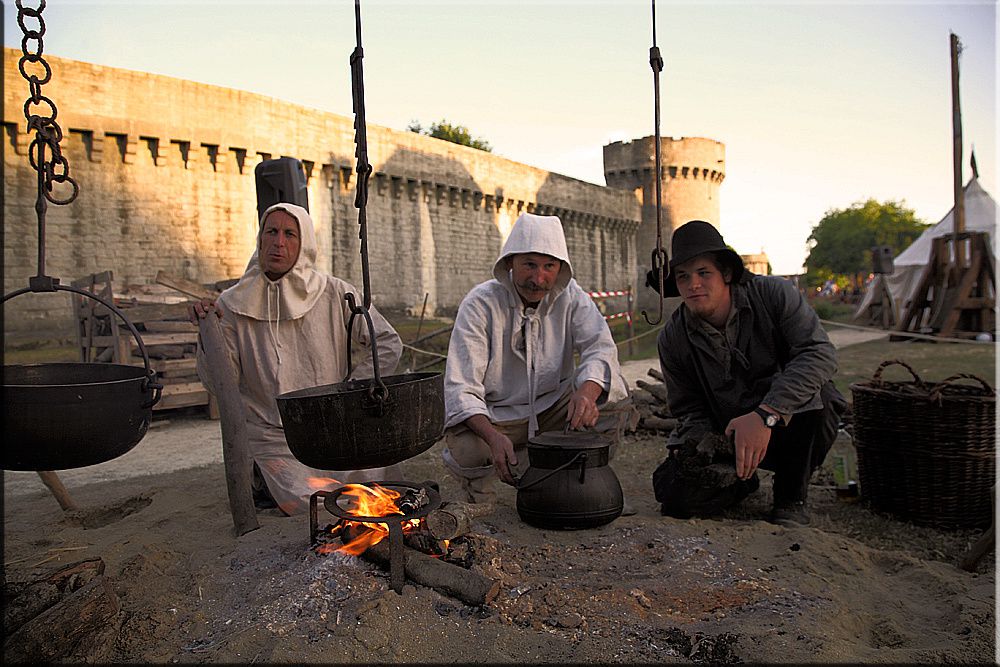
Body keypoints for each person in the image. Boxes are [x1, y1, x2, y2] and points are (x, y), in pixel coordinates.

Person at [190, 202, 403, 516]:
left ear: (304, 244)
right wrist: (210, 335)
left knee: (375, 488)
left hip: (336, 423)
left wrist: (354, 391)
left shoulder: (336, 293)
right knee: (312, 502)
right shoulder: (232, 304)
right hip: (273, 434)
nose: (279, 242)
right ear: (260, 239)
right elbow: (221, 382)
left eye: (290, 234)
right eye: (271, 232)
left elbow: (387, 342)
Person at [648, 220, 847, 526]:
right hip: (726, 430)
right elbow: (689, 408)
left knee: (819, 396)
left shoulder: (773, 295)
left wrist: (766, 414)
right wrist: (696, 448)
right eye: (683, 277)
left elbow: (818, 354)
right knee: (676, 496)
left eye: (703, 273)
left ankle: (791, 496)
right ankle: (740, 480)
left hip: (788, 423)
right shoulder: (673, 338)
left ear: (726, 274)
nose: (694, 285)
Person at [441, 212, 634, 505]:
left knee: (613, 406)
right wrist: (493, 437)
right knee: (469, 448)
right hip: (497, 415)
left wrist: (586, 392)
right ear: (510, 263)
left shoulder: (571, 298)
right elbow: (461, 387)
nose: (538, 278)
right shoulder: (480, 305)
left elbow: (599, 346)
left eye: (548, 266)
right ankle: (480, 501)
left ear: (560, 268)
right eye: (529, 264)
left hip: (554, 408)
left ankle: (572, 481)